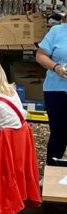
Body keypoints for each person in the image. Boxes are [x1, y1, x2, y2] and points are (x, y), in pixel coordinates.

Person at [36, 19, 67, 162]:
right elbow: (40, 55)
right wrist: (56, 67)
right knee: (58, 133)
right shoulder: (56, 31)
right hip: (56, 90)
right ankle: (52, 169)